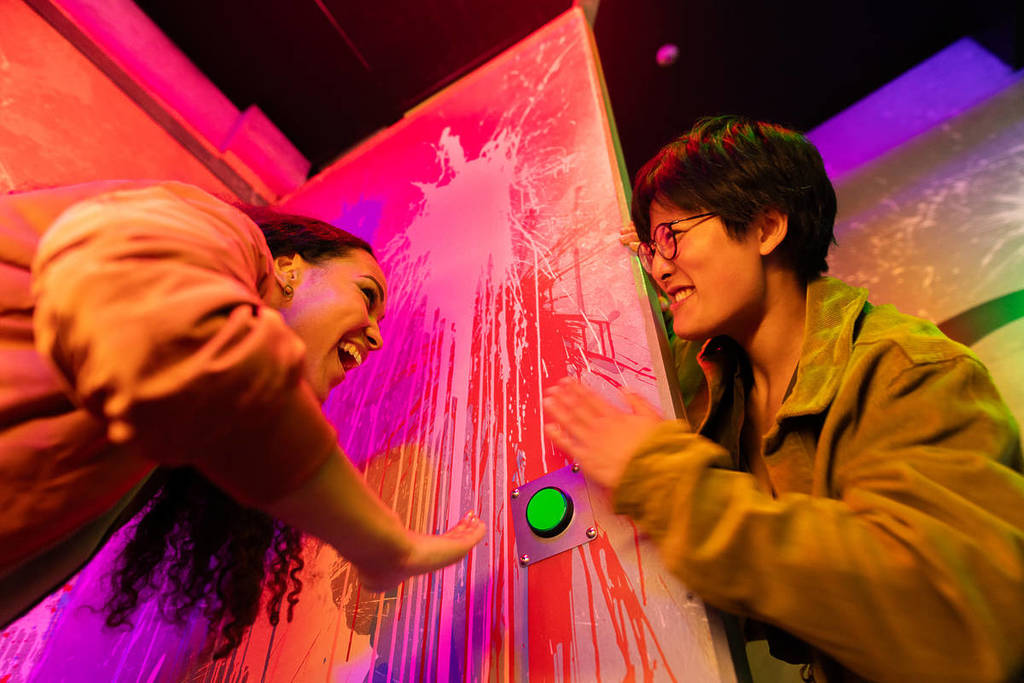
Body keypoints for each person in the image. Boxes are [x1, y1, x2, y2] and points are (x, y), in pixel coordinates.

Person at [543, 116, 1024, 683]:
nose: (660, 264)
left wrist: (661, 478)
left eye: (674, 234)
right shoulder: (724, 379)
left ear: (768, 228)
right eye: (651, 247)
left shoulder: (911, 371)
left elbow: (956, 627)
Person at [0, 180, 485, 655]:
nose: (376, 338)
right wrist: (383, 546)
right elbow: (167, 333)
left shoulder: (164, 426)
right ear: (289, 268)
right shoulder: (211, 225)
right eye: (366, 293)